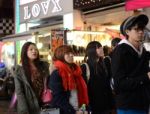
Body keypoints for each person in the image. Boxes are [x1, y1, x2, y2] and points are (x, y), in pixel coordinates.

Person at [111, 14, 150, 114]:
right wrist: (146, 77)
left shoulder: (143, 50)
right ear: (127, 31)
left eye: (142, 29)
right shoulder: (120, 51)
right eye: (137, 29)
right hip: (128, 106)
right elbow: (119, 84)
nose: (141, 32)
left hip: (143, 104)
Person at [48, 45, 89, 114]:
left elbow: (82, 92)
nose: (71, 55)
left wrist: (83, 109)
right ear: (60, 56)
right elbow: (58, 97)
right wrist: (73, 112)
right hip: (65, 111)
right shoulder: (56, 74)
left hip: (80, 109)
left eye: (72, 53)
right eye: (67, 54)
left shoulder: (77, 71)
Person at [14, 42, 50, 114]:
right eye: (31, 49)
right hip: (29, 104)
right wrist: (24, 110)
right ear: (25, 52)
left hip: (44, 102)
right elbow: (19, 92)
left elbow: (48, 81)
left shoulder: (44, 66)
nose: (34, 51)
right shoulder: (19, 69)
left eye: (36, 49)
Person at [81, 41, 113, 114]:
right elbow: (82, 91)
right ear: (92, 50)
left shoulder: (103, 65)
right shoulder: (85, 67)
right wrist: (84, 108)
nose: (102, 49)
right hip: (93, 107)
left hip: (106, 106)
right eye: (98, 47)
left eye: (101, 47)